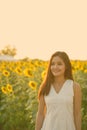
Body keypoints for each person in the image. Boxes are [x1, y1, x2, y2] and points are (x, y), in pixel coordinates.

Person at [35, 51, 82, 130]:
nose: (55, 67)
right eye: (52, 64)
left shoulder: (74, 87)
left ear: (66, 66)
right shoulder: (45, 86)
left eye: (59, 64)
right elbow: (40, 114)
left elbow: (77, 114)